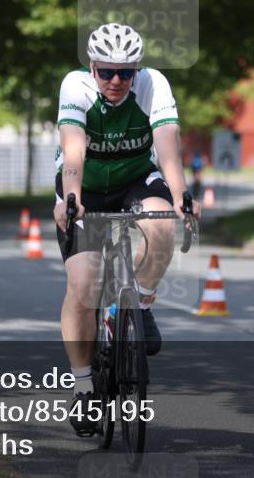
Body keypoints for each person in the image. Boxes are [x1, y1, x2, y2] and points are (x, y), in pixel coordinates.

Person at [53, 22, 201, 436]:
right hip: (85, 186)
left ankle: (142, 304)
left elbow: (167, 145)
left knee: (162, 225)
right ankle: (84, 388)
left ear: (137, 70)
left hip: (136, 178)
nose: (116, 81)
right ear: (92, 68)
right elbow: (73, 147)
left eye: (125, 72)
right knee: (83, 285)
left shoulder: (154, 84)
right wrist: (71, 198)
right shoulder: (75, 86)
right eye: (107, 72)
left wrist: (181, 196)